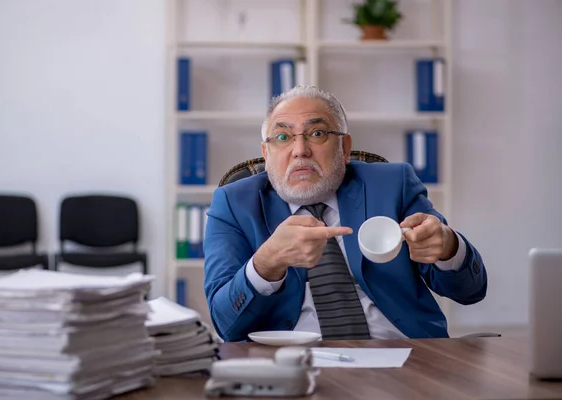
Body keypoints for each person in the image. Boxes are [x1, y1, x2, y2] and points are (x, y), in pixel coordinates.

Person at [203, 85, 487, 342]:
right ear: (266, 154)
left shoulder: (392, 185)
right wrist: (266, 262)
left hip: (403, 355)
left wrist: (448, 246)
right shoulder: (232, 203)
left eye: (317, 133)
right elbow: (226, 324)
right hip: (292, 363)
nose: (300, 150)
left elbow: (470, 291)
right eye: (282, 136)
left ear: (345, 147)